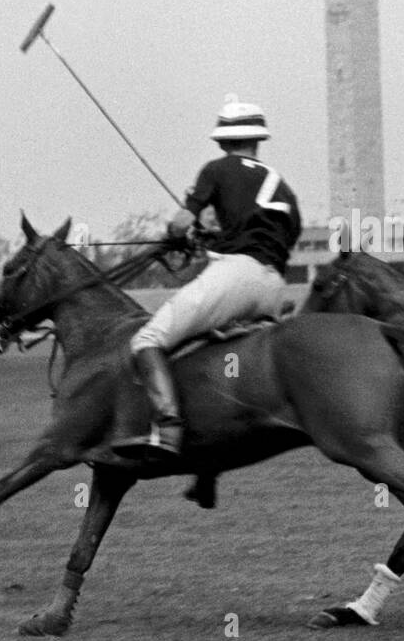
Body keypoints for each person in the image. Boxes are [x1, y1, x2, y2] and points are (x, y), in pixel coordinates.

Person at [125, 101, 301, 484]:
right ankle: (207, 473)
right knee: (214, 358)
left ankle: (168, 429)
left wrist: (178, 233)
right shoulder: (281, 184)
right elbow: (272, 237)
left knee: (148, 340)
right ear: (257, 140)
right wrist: (218, 238)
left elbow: (182, 221)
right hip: (273, 287)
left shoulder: (216, 170)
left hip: (235, 278)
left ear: (223, 142)